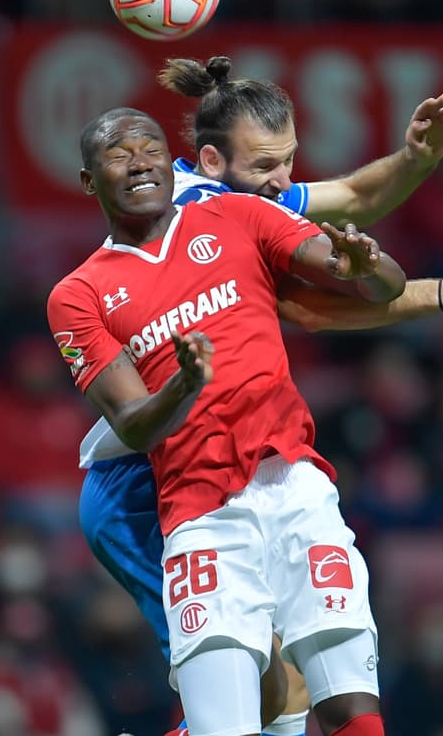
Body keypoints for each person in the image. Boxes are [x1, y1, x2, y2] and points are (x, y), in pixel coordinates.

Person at [76, 56, 443, 736]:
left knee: (290, 695)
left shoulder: (242, 203)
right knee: (265, 691)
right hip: (144, 482)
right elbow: (316, 309)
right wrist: (442, 293)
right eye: (269, 164)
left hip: (228, 465)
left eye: (289, 161)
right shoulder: (201, 210)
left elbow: (353, 199)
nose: (285, 181)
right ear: (210, 160)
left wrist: (414, 159)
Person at [48, 107, 401, 736]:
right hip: (198, 513)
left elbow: (379, 288)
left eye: (150, 148)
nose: (139, 163)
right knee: (237, 723)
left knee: (350, 708)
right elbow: (132, 423)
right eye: (118, 154)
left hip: (296, 485)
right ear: (86, 180)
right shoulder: (79, 294)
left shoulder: (238, 216)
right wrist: (184, 385)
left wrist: (367, 263)